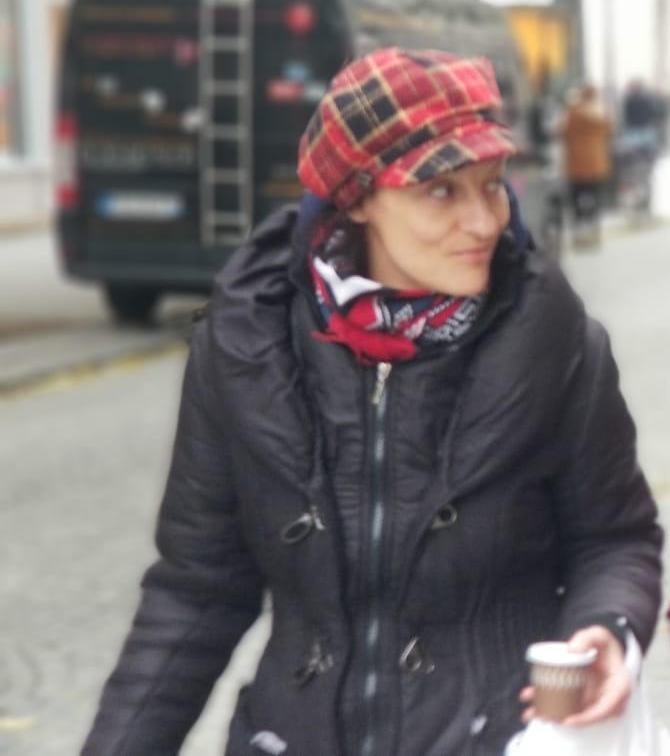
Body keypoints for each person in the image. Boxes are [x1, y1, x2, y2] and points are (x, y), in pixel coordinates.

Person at [80, 48, 662, 756]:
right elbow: (197, 589)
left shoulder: (556, 341)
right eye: (441, 190)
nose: (484, 221)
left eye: (492, 184)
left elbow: (614, 538)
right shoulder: (245, 346)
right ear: (354, 199)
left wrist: (610, 627)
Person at [558, 83, 613, 247]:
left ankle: (579, 232)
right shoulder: (602, 112)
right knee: (596, 197)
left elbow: (562, 133)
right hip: (597, 163)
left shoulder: (572, 111)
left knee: (576, 199)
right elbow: (610, 133)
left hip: (576, 164)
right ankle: (594, 230)